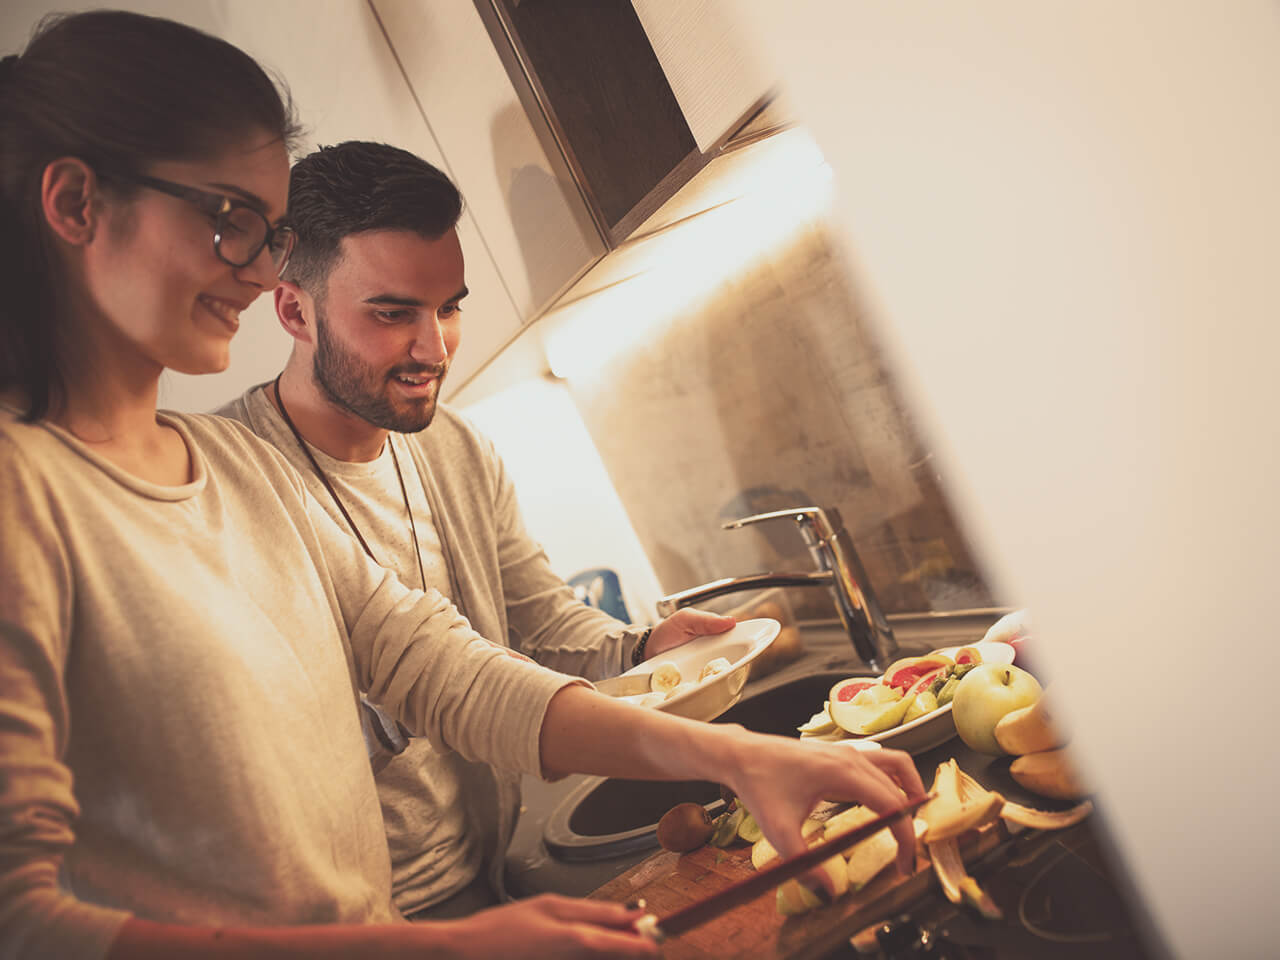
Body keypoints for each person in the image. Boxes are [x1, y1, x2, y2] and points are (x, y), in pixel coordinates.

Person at [0, 10, 925, 960]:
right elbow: (22, 925)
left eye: (272, 232)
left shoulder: (236, 470)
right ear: (75, 204)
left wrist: (740, 756)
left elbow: (442, 668)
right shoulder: (23, 498)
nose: (261, 270)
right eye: (233, 222)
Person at [215, 139, 735, 918]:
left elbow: (542, 621)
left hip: (484, 870)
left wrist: (639, 649)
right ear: (294, 308)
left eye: (449, 307)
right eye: (393, 314)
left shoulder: (455, 448)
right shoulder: (231, 488)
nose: (434, 349)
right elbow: (252, 762)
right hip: (355, 917)